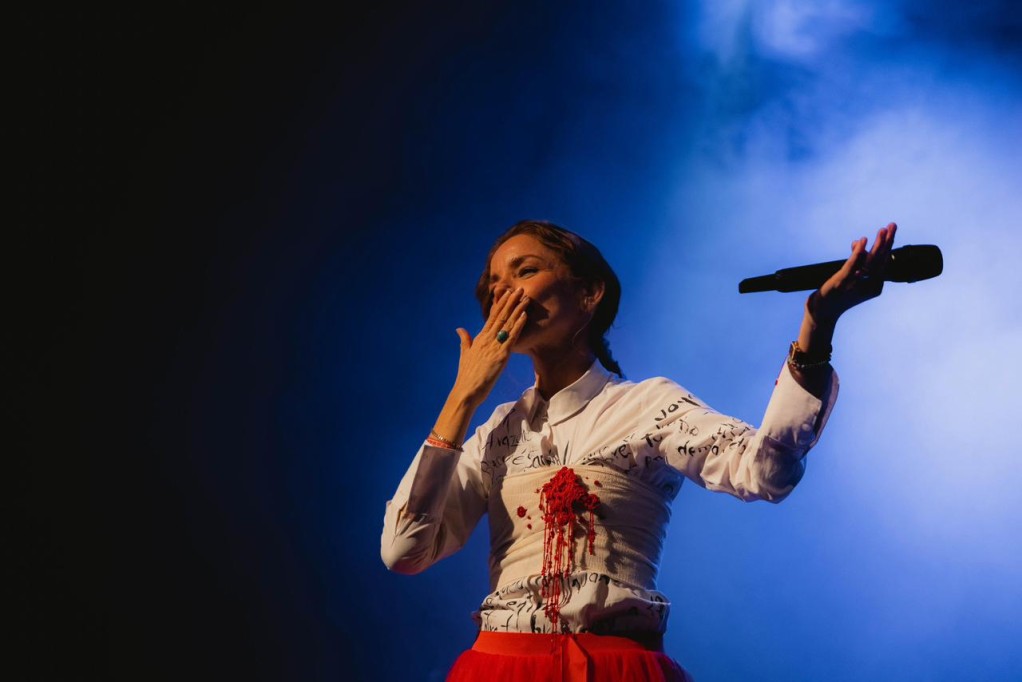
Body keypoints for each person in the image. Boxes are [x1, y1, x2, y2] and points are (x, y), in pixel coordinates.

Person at [381, 219, 897, 681]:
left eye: (526, 271)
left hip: (618, 667)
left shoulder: (648, 406)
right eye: (494, 287)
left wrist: (816, 328)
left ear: (589, 292)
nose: (506, 294)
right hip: (501, 666)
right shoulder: (495, 432)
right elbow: (404, 551)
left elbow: (767, 472)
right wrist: (462, 397)